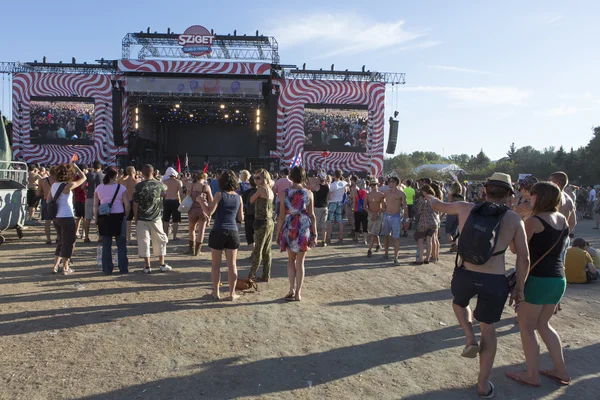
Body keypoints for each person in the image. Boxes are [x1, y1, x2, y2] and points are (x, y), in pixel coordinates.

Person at [427, 172, 529, 399]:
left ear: (485, 190)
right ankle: (483, 385)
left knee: (459, 303)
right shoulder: (513, 219)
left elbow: (437, 205)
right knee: (489, 329)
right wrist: (519, 287)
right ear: (508, 195)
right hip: (494, 279)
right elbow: (523, 257)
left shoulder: (465, 208)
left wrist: (430, 196)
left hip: (465, 273)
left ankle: (468, 336)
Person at [506, 181, 571, 387]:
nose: (528, 197)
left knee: (526, 327)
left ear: (539, 197)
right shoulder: (562, 219)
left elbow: (517, 251)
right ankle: (561, 370)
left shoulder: (533, 221)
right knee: (544, 325)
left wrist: (516, 221)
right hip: (558, 279)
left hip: (537, 279)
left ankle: (532, 375)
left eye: (532, 194)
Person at [275, 166, 317, 301]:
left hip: (290, 226)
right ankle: (298, 292)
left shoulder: (283, 193)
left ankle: (291, 289)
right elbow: (312, 216)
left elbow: (281, 216)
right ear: (304, 177)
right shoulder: (309, 193)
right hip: (303, 227)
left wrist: (277, 234)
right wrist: (315, 234)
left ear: (291, 177)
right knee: (300, 262)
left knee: (291, 260)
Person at [205, 170, 244, 301]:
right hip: (232, 231)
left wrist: (200, 201)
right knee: (232, 265)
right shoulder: (239, 197)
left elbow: (210, 212)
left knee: (216, 265)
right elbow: (241, 217)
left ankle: (216, 293)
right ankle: (232, 293)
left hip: (218, 230)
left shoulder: (219, 194)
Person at [48, 163, 87, 275]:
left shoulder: (53, 185)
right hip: (67, 216)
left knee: (60, 241)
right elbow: (84, 178)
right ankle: (65, 267)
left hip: (56, 217)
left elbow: (48, 201)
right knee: (69, 242)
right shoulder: (68, 186)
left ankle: (55, 266)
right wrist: (77, 168)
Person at [133, 164, 172, 274]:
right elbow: (165, 193)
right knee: (160, 239)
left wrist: (135, 217)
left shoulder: (138, 186)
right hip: (156, 217)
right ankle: (162, 264)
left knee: (144, 241)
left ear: (141, 172)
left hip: (142, 217)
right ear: (154, 172)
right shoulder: (160, 185)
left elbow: (135, 203)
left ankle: (147, 266)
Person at [94, 167, 130, 275]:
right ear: (115, 175)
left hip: (104, 217)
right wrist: (126, 215)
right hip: (118, 216)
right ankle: (123, 268)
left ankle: (107, 269)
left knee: (106, 245)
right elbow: (127, 205)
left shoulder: (99, 188)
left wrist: (96, 218)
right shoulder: (121, 188)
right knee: (121, 244)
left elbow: (96, 206)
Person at [248, 169, 274, 282]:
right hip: (269, 221)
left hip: (261, 221)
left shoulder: (261, 188)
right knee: (267, 250)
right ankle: (266, 274)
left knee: (258, 249)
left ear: (264, 178)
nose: (256, 180)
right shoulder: (270, 189)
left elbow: (251, 200)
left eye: (258, 178)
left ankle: (251, 274)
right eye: (255, 178)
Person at [381, 177, 407, 265]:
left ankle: (396, 257)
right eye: (389, 181)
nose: (389, 183)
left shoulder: (401, 194)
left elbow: (405, 207)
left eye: (390, 181)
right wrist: (383, 206)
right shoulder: (387, 192)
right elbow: (382, 199)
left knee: (396, 237)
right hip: (387, 215)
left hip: (396, 216)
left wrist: (406, 219)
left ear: (395, 183)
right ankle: (386, 253)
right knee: (386, 235)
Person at [185, 172, 212, 256]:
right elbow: (211, 200)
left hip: (192, 210)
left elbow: (187, 196)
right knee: (201, 230)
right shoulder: (206, 187)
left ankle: (191, 249)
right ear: (204, 178)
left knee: (191, 229)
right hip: (202, 210)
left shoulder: (190, 186)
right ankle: (197, 250)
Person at [412, 185, 438, 265]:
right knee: (429, 240)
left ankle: (420, 259)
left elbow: (418, 211)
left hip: (423, 222)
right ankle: (427, 258)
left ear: (425, 191)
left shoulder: (423, 200)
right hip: (433, 222)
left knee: (420, 241)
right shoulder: (435, 199)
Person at [83, 161, 104, 243]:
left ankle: (86, 236)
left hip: (89, 197)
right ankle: (100, 237)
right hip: (100, 198)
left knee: (87, 218)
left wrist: (87, 192)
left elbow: (83, 186)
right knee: (100, 218)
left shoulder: (88, 175)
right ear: (100, 167)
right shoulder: (103, 176)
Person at [327, 170, 348, 245]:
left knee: (330, 221)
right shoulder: (344, 183)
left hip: (332, 202)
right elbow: (345, 191)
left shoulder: (332, 185)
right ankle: (341, 238)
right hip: (340, 202)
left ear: (334, 175)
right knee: (340, 221)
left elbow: (329, 196)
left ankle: (328, 238)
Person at [162, 167, 183, 241]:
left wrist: (165, 195)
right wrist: (182, 202)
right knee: (176, 220)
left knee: (166, 220)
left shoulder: (164, 182)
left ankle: (166, 236)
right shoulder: (178, 182)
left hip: (167, 201)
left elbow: (162, 193)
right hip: (175, 201)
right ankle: (174, 236)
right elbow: (180, 193)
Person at [36, 167, 57, 244]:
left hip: (46, 200)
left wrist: (44, 192)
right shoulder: (58, 181)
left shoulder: (42, 181)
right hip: (56, 201)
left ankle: (48, 239)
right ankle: (58, 237)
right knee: (57, 220)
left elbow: (38, 193)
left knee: (47, 221)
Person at [366, 179, 385, 257]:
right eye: (371, 185)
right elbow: (364, 206)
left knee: (373, 233)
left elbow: (384, 207)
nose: (372, 186)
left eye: (374, 184)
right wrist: (371, 213)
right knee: (372, 232)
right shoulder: (368, 195)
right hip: (370, 215)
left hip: (378, 215)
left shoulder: (381, 195)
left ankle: (369, 250)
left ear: (377, 184)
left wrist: (376, 213)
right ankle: (378, 245)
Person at [121, 166, 140, 244]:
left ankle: (128, 238)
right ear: (134, 172)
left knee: (128, 221)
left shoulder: (123, 182)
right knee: (137, 221)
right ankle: (138, 237)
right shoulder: (137, 182)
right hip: (135, 202)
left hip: (126, 202)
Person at [311, 172, 330, 247]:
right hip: (325, 206)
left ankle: (314, 240)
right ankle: (323, 241)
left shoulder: (316, 187)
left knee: (315, 225)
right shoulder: (327, 186)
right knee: (324, 225)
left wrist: (315, 179)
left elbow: (310, 185)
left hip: (317, 207)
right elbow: (329, 196)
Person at [445, 182, 464, 252]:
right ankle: (455, 244)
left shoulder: (451, 195)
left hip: (451, 213)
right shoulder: (461, 197)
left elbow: (448, 204)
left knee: (448, 231)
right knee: (454, 231)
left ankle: (453, 244)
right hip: (458, 214)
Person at [242, 177, 257, 251]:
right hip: (259, 215)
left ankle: (253, 251)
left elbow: (243, 204)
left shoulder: (246, 192)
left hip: (249, 215)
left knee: (249, 234)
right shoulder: (262, 191)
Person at [73, 164, 87, 238]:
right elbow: (84, 188)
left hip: (77, 198)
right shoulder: (84, 178)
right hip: (83, 199)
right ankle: (83, 233)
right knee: (85, 218)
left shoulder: (75, 178)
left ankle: (76, 232)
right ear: (83, 170)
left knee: (78, 217)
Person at [353, 180, 369, 245]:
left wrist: (353, 209)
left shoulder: (355, 192)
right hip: (365, 210)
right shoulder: (367, 192)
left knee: (357, 225)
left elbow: (354, 202)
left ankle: (356, 237)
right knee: (365, 225)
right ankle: (365, 240)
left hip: (357, 210)